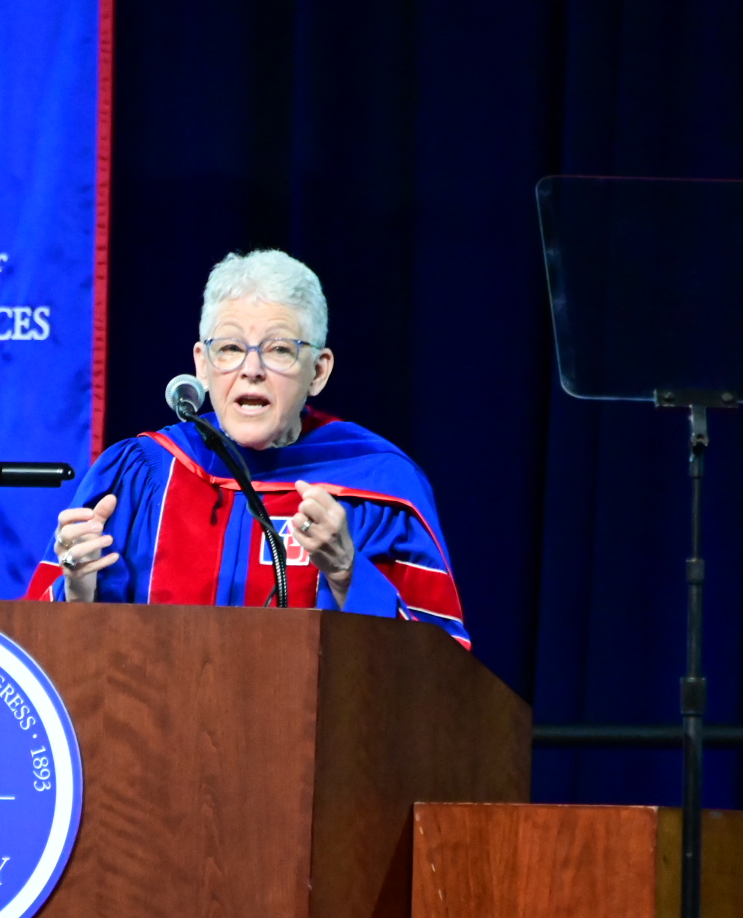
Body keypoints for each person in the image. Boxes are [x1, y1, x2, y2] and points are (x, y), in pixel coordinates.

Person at [26, 249, 471, 648]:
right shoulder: (139, 477)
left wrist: (347, 573)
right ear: (202, 364)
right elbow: (36, 654)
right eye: (231, 348)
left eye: (278, 349)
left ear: (318, 371)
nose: (251, 369)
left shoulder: (377, 489)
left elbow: (440, 673)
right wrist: (77, 589)